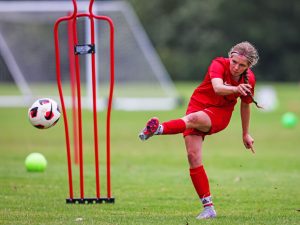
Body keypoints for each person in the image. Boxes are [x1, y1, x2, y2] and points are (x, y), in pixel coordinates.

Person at [138, 41, 260, 220]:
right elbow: (218, 88)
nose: (236, 67)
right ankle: (209, 208)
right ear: (230, 57)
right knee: (193, 157)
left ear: (248, 66)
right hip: (198, 103)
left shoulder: (249, 79)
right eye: (234, 62)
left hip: (220, 113)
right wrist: (236, 88)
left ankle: (157, 129)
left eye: (242, 65)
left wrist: (245, 133)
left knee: (193, 120)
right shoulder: (218, 64)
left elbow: (245, 106)